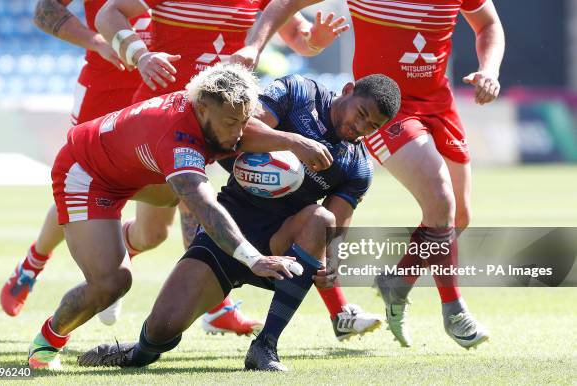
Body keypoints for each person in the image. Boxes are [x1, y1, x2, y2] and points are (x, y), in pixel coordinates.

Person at [92, 0, 380, 340]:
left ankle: (326, 310)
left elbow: (297, 35)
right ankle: (81, 272)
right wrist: (140, 55)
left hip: (220, 126)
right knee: (151, 230)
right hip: (165, 116)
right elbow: (106, 14)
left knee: (289, 205)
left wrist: (314, 40)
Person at [77, 72, 401, 372]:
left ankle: (266, 347)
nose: (360, 127)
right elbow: (239, 134)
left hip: (280, 241)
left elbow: (336, 224)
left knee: (321, 219)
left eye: (371, 126)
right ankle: (137, 354)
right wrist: (292, 141)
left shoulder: (357, 166)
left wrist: (333, 260)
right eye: (360, 114)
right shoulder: (298, 92)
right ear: (348, 92)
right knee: (163, 327)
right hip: (228, 227)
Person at [231, 0, 505, 349]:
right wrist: (253, 46)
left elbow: (488, 25)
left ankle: (397, 282)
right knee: (441, 200)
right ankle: (454, 309)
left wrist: (490, 70)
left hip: (438, 101)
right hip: (379, 109)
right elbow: (285, 3)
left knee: (456, 217)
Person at [27, 63, 336, 370]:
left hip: (137, 170)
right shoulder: (177, 138)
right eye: (231, 122)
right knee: (112, 282)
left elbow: (246, 130)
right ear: (202, 109)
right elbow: (206, 207)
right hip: (87, 174)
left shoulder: (212, 112)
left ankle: (125, 246)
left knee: (154, 233)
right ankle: (46, 343)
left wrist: (294, 142)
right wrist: (253, 259)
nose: (238, 133)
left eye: (242, 121)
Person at [0, 0, 261, 333]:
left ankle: (201, 298)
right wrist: (100, 42)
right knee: (83, 186)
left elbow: (271, 14)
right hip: (108, 85)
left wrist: (304, 35)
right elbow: (45, 11)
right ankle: (33, 263)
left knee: (156, 228)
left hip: (165, 86)